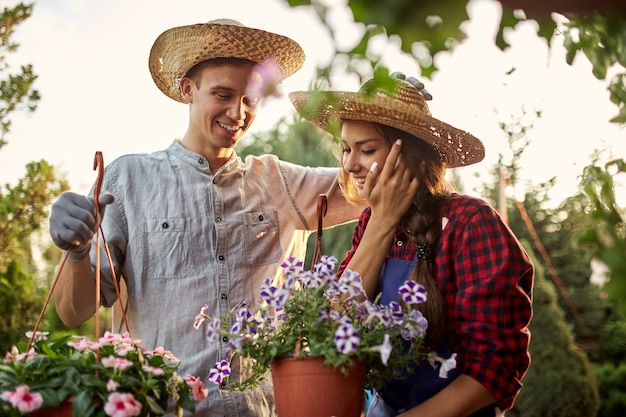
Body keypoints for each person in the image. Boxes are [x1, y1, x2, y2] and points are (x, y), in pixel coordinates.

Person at [48, 19, 367, 417]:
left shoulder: (280, 181)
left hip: (264, 410)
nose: (238, 112)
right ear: (187, 89)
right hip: (163, 409)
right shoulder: (129, 179)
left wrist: (397, 120)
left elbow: (372, 185)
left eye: (251, 99)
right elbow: (72, 311)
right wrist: (75, 252)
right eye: (223, 94)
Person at [289, 73, 534, 417]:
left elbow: (495, 369)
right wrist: (383, 221)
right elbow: (335, 326)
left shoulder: (469, 222)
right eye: (346, 148)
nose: (349, 164)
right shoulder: (370, 222)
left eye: (367, 149)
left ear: (410, 153)